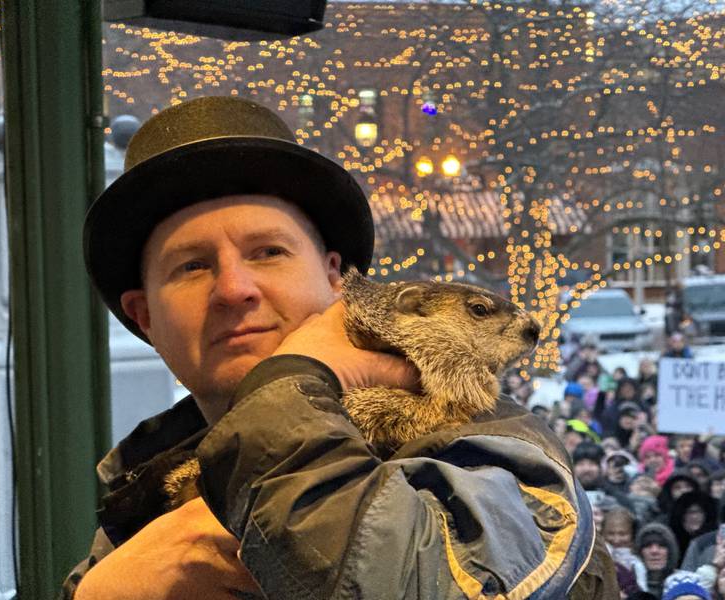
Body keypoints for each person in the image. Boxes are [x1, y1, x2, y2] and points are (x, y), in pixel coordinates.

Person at [62, 97, 615, 599]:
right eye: (192, 266)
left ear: (334, 279)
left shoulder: (486, 446)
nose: (234, 289)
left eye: (269, 252)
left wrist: (293, 379)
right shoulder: (140, 490)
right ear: (145, 317)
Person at [635, 523, 680, 598]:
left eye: (661, 546)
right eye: (648, 546)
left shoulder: (683, 582)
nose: (654, 551)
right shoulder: (627, 584)